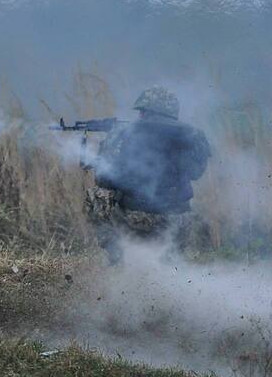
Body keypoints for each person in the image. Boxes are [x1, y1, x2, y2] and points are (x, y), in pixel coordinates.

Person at [84, 86, 210, 264]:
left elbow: (105, 178)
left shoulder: (126, 132)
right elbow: (196, 173)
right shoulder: (191, 134)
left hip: (135, 218)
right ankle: (173, 256)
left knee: (97, 195)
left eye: (141, 111)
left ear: (145, 111)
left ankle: (116, 255)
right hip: (178, 221)